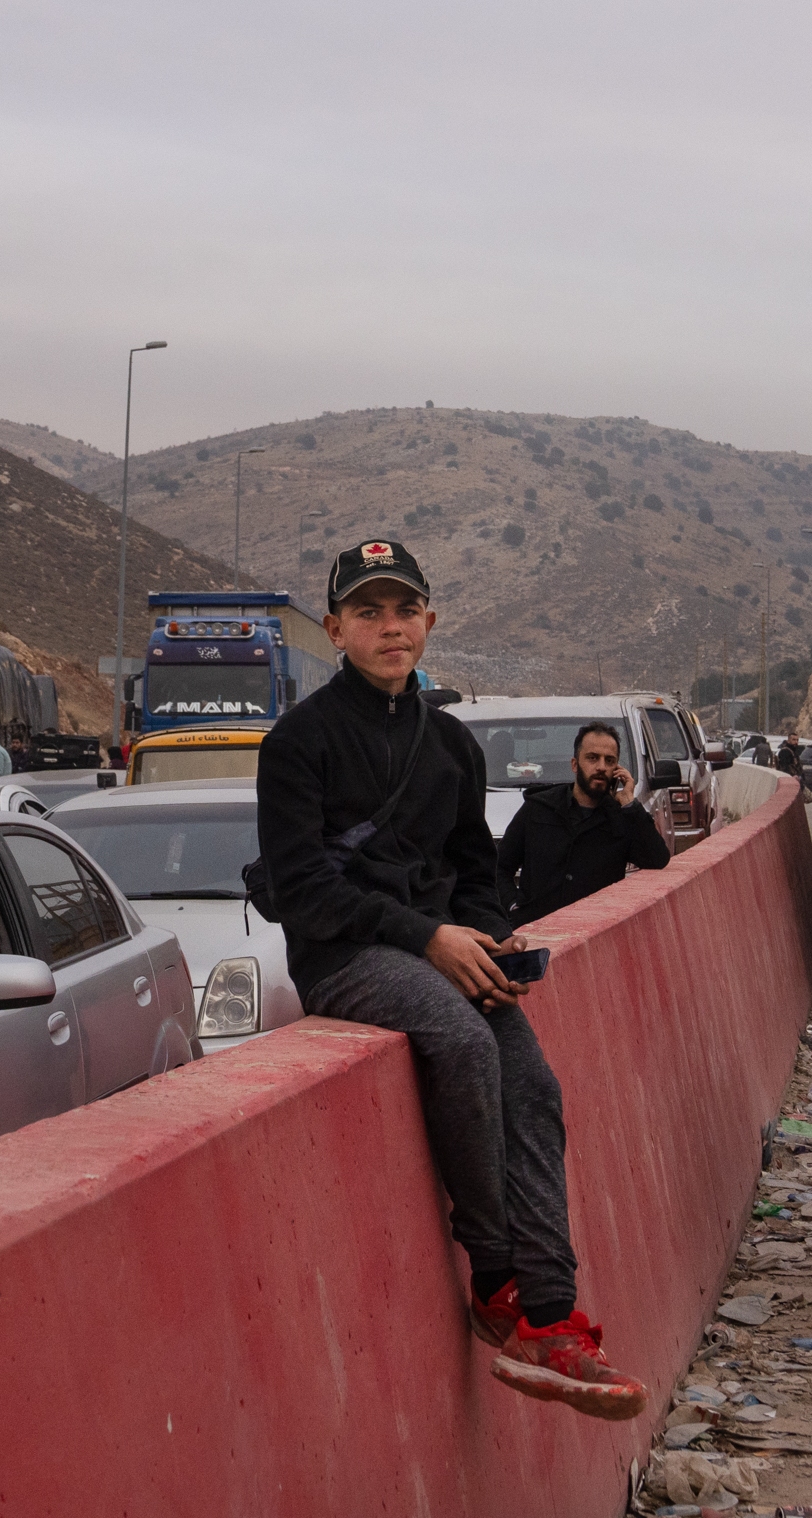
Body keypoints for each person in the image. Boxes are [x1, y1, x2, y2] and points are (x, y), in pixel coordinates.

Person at [255, 540, 645, 1419]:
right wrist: (429, 938)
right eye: (368, 613)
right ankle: (496, 1278)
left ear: (429, 622)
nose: (389, 629)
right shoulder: (297, 744)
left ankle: (551, 1315)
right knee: (465, 1046)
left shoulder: (452, 747)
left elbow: (476, 871)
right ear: (334, 630)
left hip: (440, 946)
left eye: (404, 611)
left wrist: (491, 938)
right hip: (345, 955)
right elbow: (306, 888)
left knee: (534, 1083)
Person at [497, 724, 672, 928]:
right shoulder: (539, 808)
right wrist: (513, 906)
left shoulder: (622, 817)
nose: (601, 767)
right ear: (574, 764)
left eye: (609, 760)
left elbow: (657, 858)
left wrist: (630, 804)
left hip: (596, 935)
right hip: (538, 934)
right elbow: (498, 867)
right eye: (592, 758)